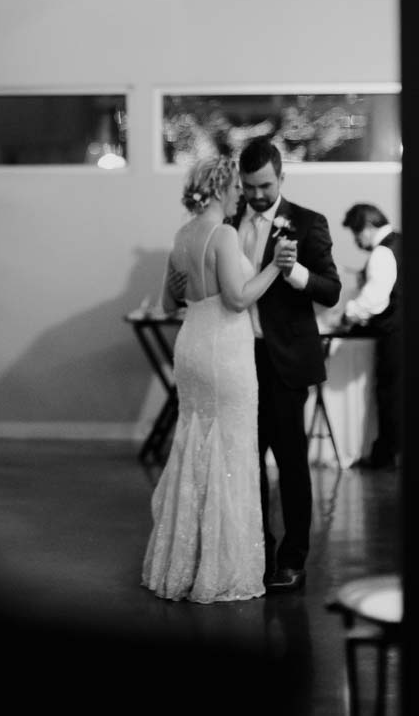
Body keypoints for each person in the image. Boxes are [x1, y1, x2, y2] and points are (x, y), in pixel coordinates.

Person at [142, 155, 292, 603]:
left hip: (191, 347)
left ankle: (182, 562)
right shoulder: (223, 234)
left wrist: (177, 276)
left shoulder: (182, 235)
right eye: (237, 189)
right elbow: (239, 297)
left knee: (194, 445)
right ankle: (221, 567)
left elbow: (169, 304)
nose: (241, 196)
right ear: (224, 189)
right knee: (230, 448)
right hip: (225, 350)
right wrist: (275, 266)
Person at [234, 137, 342, 593]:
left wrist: (295, 271)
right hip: (238, 360)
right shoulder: (225, 223)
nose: (257, 195)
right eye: (249, 186)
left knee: (291, 463)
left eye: (265, 185)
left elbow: (332, 290)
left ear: (281, 177)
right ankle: (256, 550)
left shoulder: (307, 223)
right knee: (246, 462)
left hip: (283, 363)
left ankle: (293, 558)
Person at [341, 203, 403, 470]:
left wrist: (348, 313)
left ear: (367, 226)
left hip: (394, 333)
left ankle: (386, 456)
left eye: (357, 234)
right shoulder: (401, 242)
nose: (357, 241)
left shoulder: (382, 251)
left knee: (389, 394)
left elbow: (375, 300)